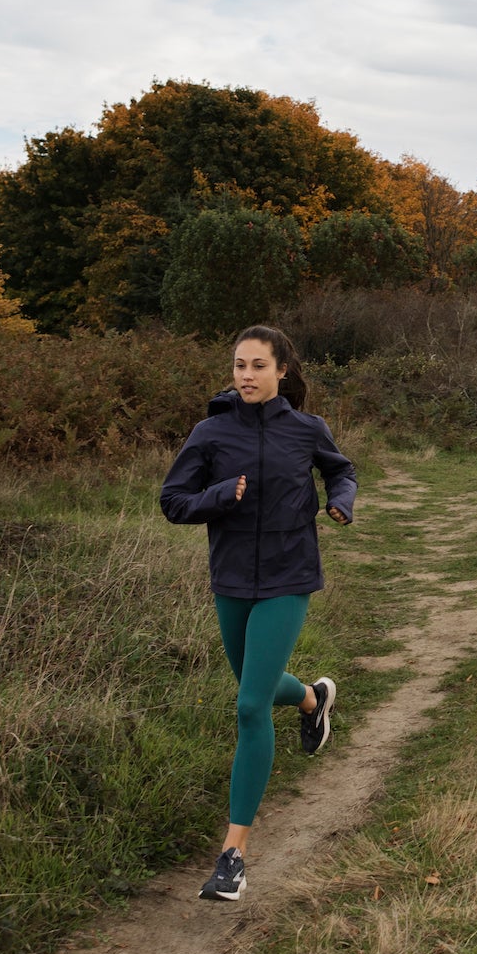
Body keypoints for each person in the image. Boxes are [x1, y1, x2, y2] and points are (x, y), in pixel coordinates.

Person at [159, 324, 357, 902]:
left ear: (281, 372)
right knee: (256, 684)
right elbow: (173, 502)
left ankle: (233, 855)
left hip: (289, 576)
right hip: (231, 580)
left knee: (249, 704)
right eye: (238, 365)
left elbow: (340, 470)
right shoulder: (211, 432)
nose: (245, 375)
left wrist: (339, 501)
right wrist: (219, 497)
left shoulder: (306, 429)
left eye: (257, 365)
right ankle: (312, 698)